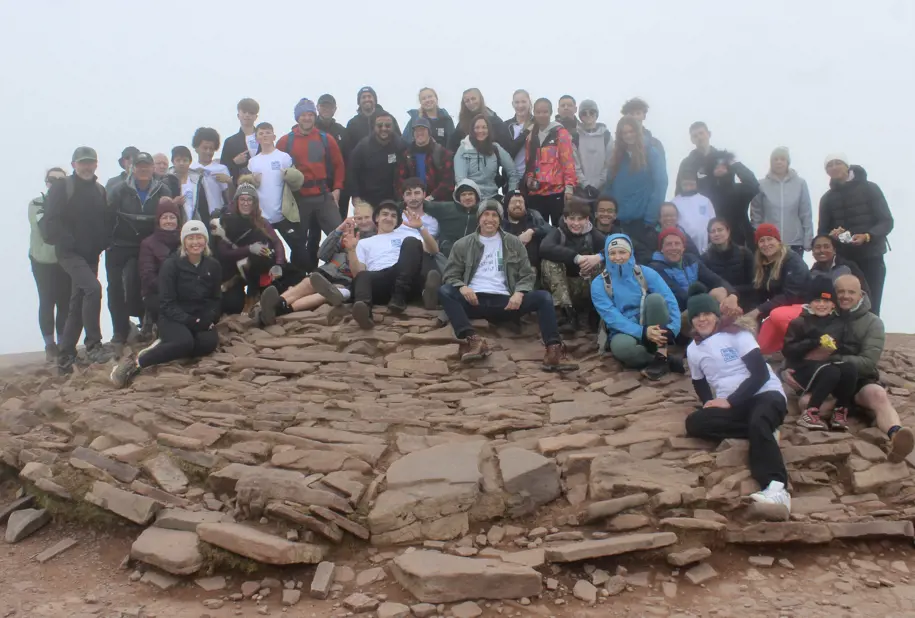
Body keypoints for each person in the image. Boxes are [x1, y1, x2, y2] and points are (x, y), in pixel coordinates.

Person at [683, 286, 791, 511]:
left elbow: (760, 373)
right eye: (696, 316)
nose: (702, 320)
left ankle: (777, 488)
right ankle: (764, 433)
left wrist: (730, 401)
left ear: (716, 315)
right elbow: (699, 380)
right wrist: (707, 402)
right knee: (695, 423)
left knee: (759, 419)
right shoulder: (693, 349)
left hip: (765, 394)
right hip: (734, 405)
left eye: (707, 314)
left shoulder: (737, 333)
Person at [439, 199, 578, 372]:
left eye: (494, 215)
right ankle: (473, 339)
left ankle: (553, 350)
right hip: (474, 301)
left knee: (543, 297)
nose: (490, 219)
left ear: (500, 219)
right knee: (445, 291)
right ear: (479, 218)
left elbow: (527, 274)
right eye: (486, 215)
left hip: (507, 302)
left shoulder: (513, 243)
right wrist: (462, 286)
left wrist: (519, 293)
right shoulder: (463, 244)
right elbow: (450, 274)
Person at [110, 221, 221, 389]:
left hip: (198, 316)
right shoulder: (171, 265)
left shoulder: (213, 265)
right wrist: (190, 321)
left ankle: (168, 344)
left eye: (199, 237)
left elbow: (216, 298)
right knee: (185, 343)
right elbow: (167, 304)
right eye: (190, 238)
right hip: (172, 317)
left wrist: (209, 318)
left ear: (205, 241)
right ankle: (137, 362)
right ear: (184, 242)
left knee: (207, 343)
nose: (195, 242)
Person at [41, 147, 114, 374]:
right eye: (82, 163)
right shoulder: (64, 187)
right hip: (69, 253)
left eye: (90, 162)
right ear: (73, 165)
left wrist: (103, 242)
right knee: (93, 289)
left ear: (96, 164)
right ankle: (93, 344)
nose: (86, 166)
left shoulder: (100, 191)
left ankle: (66, 355)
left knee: (77, 302)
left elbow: (105, 221)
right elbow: (50, 221)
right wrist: (67, 240)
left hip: (91, 254)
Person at [258, 203, 377, 326]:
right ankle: (274, 305)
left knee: (325, 293)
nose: (363, 222)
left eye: (366, 217)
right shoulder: (346, 234)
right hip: (328, 270)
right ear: (354, 219)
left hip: (346, 279)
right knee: (307, 284)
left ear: (374, 218)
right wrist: (338, 230)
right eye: (359, 218)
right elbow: (322, 254)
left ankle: (279, 310)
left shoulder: (377, 239)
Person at [590, 234, 681, 380]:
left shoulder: (645, 273)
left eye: (622, 252)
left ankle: (660, 353)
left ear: (630, 252)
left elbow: (669, 300)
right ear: (606, 255)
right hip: (622, 330)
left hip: (650, 323)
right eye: (612, 253)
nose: (617, 257)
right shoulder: (599, 283)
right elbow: (611, 317)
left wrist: (673, 329)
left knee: (656, 300)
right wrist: (643, 332)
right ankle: (662, 359)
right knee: (624, 349)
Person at [106, 151, 173, 351]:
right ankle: (119, 331)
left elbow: (169, 217)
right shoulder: (118, 190)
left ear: (153, 168)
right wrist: (107, 241)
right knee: (115, 288)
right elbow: (107, 217)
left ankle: (147, 324)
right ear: (132, 168)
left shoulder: (163, 190)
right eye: (139, 166)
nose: (143, 170)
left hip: (147, 244)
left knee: (140, 285)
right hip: (119, 243)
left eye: (147, 166)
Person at [818, 153, 893, 316]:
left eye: (837, 163)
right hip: (845, 259)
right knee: (844, 304)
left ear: (847, 166)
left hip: (871, 255)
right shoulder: (827, 199)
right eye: (829, 165)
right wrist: (832, 236)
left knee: (872, 303)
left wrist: (867, 236)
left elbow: (886, 221)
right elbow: (822, 232)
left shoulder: (870, 188)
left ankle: (872, 339)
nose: (834, 167)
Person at [276, 99, 346, 272]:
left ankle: (341, 272)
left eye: (310, 115)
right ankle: (300, 278)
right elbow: (276, 166)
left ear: (314, 116)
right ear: (297, 118)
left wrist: (337, 189)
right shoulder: (286, 141)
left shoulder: (325, 139)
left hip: (323, 195)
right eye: (303, 115)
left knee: (340, 235)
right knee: (299, 241)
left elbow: (339, 165)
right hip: (298, 197)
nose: (307, 118)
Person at [347, 201, 439, 327]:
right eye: (385, 214)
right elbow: (357, 273)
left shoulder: (407, 234)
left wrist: (421, 228)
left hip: (406, 280)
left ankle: (401, 296)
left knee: (411, 242)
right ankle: (364, 313)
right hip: (381, 281)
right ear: (377, 218)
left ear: (397, 222)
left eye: (393, 216)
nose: (389, 218)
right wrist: (351, 250)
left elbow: (433, 250)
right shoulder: (364, 243)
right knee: (363, 276)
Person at [783, 277, 857, 431]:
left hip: (827, 365)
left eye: (826, 301)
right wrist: (814, 342)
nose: (821, 305)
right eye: (817, 300)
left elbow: (851, 346)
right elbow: (788, 350)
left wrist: (835, 348)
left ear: (833, 304)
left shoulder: (840, 323)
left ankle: (840, 411)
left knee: (850, 369)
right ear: (809, 303)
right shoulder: (800, 322)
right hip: (802, 369)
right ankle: (810, 413)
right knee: (831, 371)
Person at [599, 116, 667, 263]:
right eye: (624, 133)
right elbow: (609, 188)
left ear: (638, 132)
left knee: (645, 265)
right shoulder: (616, 158)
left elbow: (661, 185)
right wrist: (610, 214)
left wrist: (650, 218)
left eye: (631, 131)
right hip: (620, 223)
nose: (628, 136)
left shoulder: (651, 154)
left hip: (643, 223)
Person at [212, 181, 287, 315]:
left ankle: (258, 299)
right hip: (235, 271)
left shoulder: (262, 222)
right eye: (242, 199)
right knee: (232, 305)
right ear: (236, 201)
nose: (246, 203)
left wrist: (279, 264)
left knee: (275, 295)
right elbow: (223, 253)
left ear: (255, 202)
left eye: (249, 200)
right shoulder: (227, 221)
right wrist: (249, 249)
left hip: (259, 269)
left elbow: (277, 242)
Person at [540, 199, 605, 332]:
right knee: (549, 262)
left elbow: (615, 249)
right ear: (565, 219)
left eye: (580, 219)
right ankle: (567, 314)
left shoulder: (594, 235)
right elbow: (545, 248)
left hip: (586, 287)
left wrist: (598, 257)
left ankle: (596, 313)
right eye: (572, 219)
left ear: (587, 219)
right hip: (564, 289)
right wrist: (575, 257)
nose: (576, 223)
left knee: (603, 263)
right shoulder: (558, 233)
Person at [249, 121, 306, 271]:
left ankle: (300, 277)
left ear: (274, 136)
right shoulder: (253, 162)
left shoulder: (284, 157)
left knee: (299, 248)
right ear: (257, 139)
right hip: (263, 217)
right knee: (268, 254)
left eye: (268, 132)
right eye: (261, 133)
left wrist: (289, 175)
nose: (265, 135)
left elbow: (297, 182)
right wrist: (251, 180)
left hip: (283, 214)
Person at [649, 227, 739, 322]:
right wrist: (710, 303)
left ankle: (728, 326)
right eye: (669, 244)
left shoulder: (691, 260)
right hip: (678, 315)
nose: (673, 247)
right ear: (661, 249)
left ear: (683, 247)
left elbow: (716, 280)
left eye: (677, 243)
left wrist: (733, 296)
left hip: (699, 306)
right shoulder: (655, 268)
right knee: (717, 303)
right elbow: (680, 297)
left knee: (720, 291)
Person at [746, 224, 810, 354]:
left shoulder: (792, 261)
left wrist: (759, 311)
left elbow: (790, 295)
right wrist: (751, 316)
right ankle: (781, 350)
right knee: (761, 348)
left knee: (777, 315)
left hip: (804, 308)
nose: (766, 244)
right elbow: (760, 295)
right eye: (762, 240)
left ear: (778, 241)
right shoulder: (761, 264)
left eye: (770, 239)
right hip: (780, 309)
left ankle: (804, 347)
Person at [29, 167, 71, 361]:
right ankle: (49, 345)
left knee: (65, 302)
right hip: (42, 260)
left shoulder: (71, 203)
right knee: (47, 301)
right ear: (46, 182)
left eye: (60, 180)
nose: (55, 182)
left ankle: (63, 344)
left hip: (64, 258)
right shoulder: (36, 203)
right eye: (52, 179)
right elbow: (44, 227)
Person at [524, 98, 578, 226]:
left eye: (545, 112)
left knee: (559, 229)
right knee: (537, 231)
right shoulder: (531, 135)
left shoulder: (560, 133)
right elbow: (529, 162)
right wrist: (529, 179)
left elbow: (568, 161)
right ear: (534, 113)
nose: (541, 115)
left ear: (551, 112)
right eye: (538, 112)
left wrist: (569, 187)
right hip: (536, 192)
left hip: (557, 191)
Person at [750, 147, 813, 254]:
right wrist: (757, 238)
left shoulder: (800, 183)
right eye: (775, 159)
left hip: (794, 242)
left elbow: (805, 213)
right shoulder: (761, 185)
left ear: (787, 162)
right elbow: (756, 215)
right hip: (769, 243)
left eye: (782, 159)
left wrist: (808, 239)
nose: (779, 162)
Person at [346, 110, 406, 208]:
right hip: (368, 200)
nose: (384, 128)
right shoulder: (363, 147)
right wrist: (355, 196)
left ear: (393, 127)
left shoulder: (400, 145)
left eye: (387, 125)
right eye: (379, 125)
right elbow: (352, 172)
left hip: (394, 200)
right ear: (374, 127)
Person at [138, 198, 181, 330]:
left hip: (183, 291)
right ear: (159, 220)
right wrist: (171, 289)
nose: (169, 221)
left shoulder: (185, 241)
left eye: (172, 217)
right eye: (165, 217)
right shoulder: (148, 244)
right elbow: (148, 276)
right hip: (156, 294)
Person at [453, 114, 519, 201]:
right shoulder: (463, 149)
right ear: (472, 130)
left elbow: (513, 172)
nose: (480, 130)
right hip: (471, 200)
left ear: (489, 130)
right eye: (477, 127)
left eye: (484, 127)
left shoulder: (496, 148)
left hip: (493, 197)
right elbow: (461, 180)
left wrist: (511, 196)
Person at [703, 151, 759, 248]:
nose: (720, 169)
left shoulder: (739, 190)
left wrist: (736, 164)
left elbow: (754, 185)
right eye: (716, 167)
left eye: (723, 166)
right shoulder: (706, 194)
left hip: (741, 241)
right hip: (715, 241)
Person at [701, 218, 756, 312]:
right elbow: (705, 286)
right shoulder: (705, 258)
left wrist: (732, 294)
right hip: (718, 304)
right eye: (712, 231)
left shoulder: (744, 253)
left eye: (720, 230)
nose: (716, 234)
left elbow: (754, 284)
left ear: (728, 231)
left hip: (743, 302)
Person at [395, 117, 455, 202]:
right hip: (413, 202)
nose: (419, 133)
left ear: (429, 132)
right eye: (416, 130)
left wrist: (431, 197)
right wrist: (407, 197)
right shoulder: (407, 155)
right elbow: (399, 181)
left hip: (437, 203)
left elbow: (448, 181)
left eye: (423, 129)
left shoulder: (442, 153)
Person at [424, 180, 483, 257]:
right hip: (448, 252)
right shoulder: (447, 208)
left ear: (477, 196)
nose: (467, 197)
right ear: (458, 198)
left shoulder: (483, 212)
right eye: (463, 195)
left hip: (473, 252)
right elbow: (423, 204)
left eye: (471, 194)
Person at [315, 94, 350, 219]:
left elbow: (348, 159)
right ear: (317, 108)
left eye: (329, 107)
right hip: (316, 187)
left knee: (340, 224)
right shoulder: (309, 129)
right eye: (323, 106)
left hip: (338, 186)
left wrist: (341, 187)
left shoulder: (342, 131)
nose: (326, 109)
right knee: (314, 229)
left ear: (335, 109)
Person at [501, 189, 551, 273]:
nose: (517, 205)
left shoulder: (534, 218)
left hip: (533, 269)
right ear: (506, 206)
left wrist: (532, 231)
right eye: (513, 202)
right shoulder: (501, 224)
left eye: (520, 202)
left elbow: (551, 230)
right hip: (508, 270)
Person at [573, 99, 613, 201]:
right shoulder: (575, 137)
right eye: (584, 113)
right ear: (580, 116)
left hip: (602, 191)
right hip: (581, 193)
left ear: (596, 114)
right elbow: (574, 165)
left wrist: (597, 185)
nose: (588, 115)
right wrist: (585, 185)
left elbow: (609, 163)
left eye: (592, 112)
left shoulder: (606, 136)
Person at [345, 86, 401, 158]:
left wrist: (393, 161)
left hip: (388, 163)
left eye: (369, 96)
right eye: (363, 97)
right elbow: (348, 150)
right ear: (359, 101)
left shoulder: (388, 118)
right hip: (363, 165)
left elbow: (398, 142)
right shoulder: (352, 124)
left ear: (375, 100)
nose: (367, 99)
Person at [190, 127, 234, 217]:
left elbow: (230, 198)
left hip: (216, 215)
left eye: (211, 149)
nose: (208, 152)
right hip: (195, 216)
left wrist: (229, 182)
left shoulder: (221, 169)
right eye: (205, 148)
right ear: (196, 148)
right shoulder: (190, 169)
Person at [672, 171, 714, 254]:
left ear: (696, 184)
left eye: (691, 184)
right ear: (681, 185)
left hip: (704, 247)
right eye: (685, 184)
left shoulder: (705, 200)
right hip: (684, 247)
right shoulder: (674, 202)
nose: (688, 187)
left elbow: (713, 221)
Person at [220, 98, 260, 182]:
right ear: (238, 115)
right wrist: (234, 162)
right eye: (244, 112)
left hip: (263, 185)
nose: (247, 115)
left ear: (256, 117)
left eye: (251, 112)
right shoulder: (230, 142)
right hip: (240, 188)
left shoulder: (264, 138)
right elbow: (223, 169)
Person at [676, 121, 717, 192]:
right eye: (695, 136)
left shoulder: (721, 159)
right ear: (692, 140)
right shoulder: (686, 163)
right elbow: (679, 190)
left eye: (701, 133)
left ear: (709, 134)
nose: (699, 137)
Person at [503, 89, 534, 178]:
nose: (520, 105)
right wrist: (526, 132)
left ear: (529, 102)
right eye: (517, 102)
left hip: (532, 178)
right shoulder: (506, 126)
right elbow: (508, 152)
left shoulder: (537, 123)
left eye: (523, 102)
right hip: (511, 178)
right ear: (512, 104)